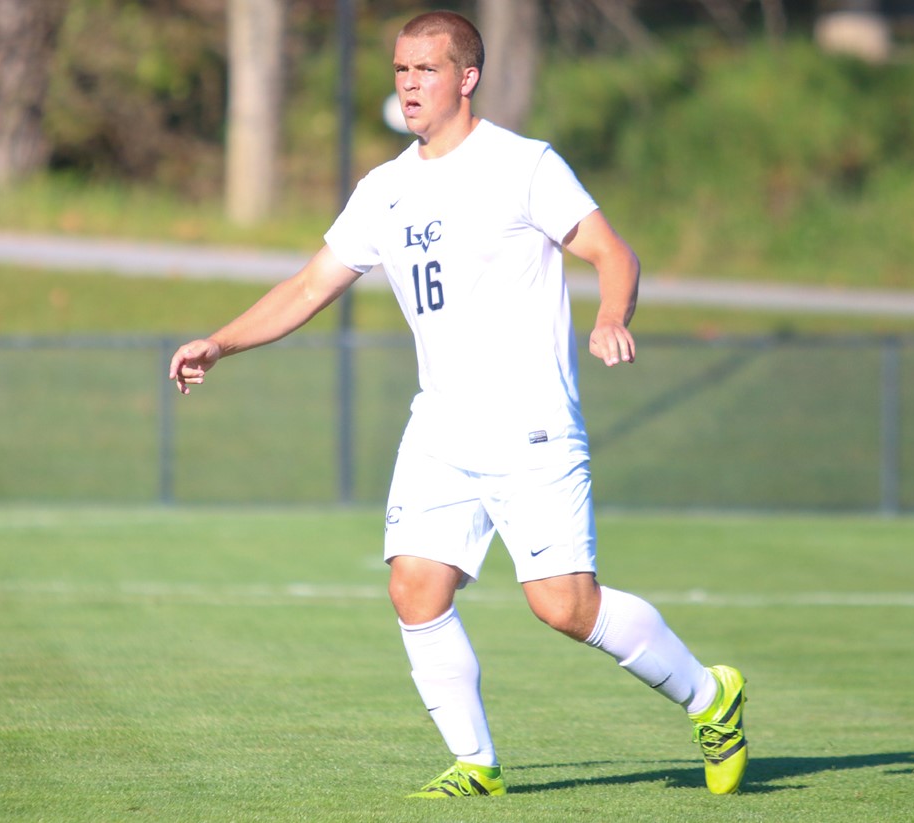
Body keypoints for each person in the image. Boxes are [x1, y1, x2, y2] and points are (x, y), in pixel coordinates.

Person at [169, 10, 747, 799]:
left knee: (563, 606)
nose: (407, 85)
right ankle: (476, 763)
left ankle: (708, 695)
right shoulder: (385, 189)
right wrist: (218, 343)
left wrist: (611, 314)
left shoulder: (523, 165)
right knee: (414, 586)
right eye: (400, 70)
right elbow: (309, 286)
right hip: (440, 426)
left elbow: (612, 251)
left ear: (465, 78)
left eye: (425, 70)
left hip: (530, 423)